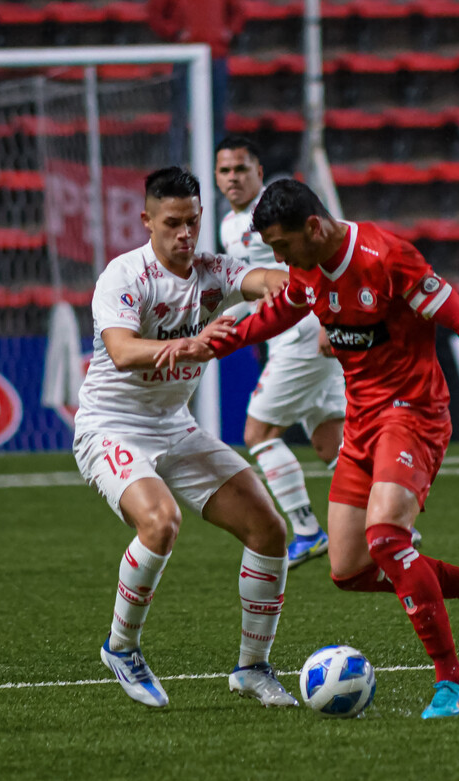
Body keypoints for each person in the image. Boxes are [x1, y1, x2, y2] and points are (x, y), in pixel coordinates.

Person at [165, 178, 459, 719]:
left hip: (413, 414)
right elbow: (271, 317)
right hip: (362, 423)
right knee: (349, 569)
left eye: (284, 247)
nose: (280, 259)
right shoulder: (308, 270)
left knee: (386, 537)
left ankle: (454, 682)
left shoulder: (388, 258)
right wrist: (205, 343)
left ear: (313, 227)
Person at [74, 166, 298, 709]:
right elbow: (124, 352)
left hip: (176, 428)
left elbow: (266, 282)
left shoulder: (211, 271)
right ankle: (121, 647)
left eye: (193, 222)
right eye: (172, 223)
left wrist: (313, 275)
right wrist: (195, 344)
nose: (185, 235)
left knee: (270, 531)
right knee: (161, 521)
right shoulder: (124, 276)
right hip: (110, 427)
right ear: (146, 220)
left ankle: (253, 668)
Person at [214, 136, 347, 568]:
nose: (232, 178)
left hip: (306, 330)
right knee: (332, 445)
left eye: (240, 169)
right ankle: (387, 521)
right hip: (285, 334)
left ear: (258, 171)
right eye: (224, 171)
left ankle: (307, 530)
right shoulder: (227, 225)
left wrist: (332, 319)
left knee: (258, 434)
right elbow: (251, 285)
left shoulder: (283, 206)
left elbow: (321, 257)